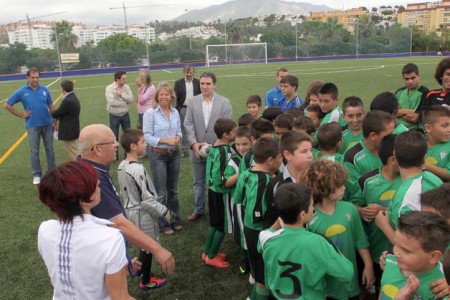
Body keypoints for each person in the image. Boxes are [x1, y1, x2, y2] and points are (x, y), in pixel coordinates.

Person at [78, 124, 175, 275]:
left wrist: (125, 260)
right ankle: (146, 279)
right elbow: (117, 223)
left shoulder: (87, 167)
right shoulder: (94, 178)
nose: (117, 144)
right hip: (100, 262)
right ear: (97, 149)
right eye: (112, 141)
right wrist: (158, 249)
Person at [37, 161, 134, 299]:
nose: (98, 183)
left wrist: (119, 266)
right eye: (93, 183)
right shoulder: (110, 238)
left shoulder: (45, 229)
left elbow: (77, 265)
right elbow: (120, 297)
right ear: (82, 200)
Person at [258, 183, 354, 299]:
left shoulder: (267, 238)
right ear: (303, 215)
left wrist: (278, 223)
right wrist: (331, 246)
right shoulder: (318, 242)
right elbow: (348, 273)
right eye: (311, 206)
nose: (313, 209)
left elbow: (263, 238)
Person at [300, 160, 374, 300]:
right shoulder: (309, 218)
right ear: (324, 188)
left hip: (350, 282)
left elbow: (360, 241)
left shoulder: (349, 209)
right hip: (325, 286)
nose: (344, 188)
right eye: (339, 185)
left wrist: (368, 265)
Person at [118, 129, 168, 291]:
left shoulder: (122, 165)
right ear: (133, 146)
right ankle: (146, 281)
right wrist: (166, 213)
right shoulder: (137, 169)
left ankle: (139, 270)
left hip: (130, 210)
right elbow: (146, 199)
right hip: (141, 213)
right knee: (149, 245)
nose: (146, 144)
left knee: (143, 244)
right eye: (143, 142)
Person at [234, 137, 282, 300]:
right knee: (264, 274)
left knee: (259, 269)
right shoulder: (267, 181)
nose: (282, 161)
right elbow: (258, 214)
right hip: (260, 230)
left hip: (248, 228)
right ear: (270, 160)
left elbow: (238, 198)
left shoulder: (245, 173)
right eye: (280, 158)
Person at [352, 134, 401, 292]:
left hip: (401, 252)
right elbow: (354, 204)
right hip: (374, 250)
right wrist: (361, 211)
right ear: (392, 159)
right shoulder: (366, 180)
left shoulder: (410, 180)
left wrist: (383, 210)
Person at [375, 131, 443, 243]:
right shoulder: (434, 179)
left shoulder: (404, 198)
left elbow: (410, 246)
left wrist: (384, 225)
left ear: (394, 157)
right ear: (425, 157)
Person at [184, 72, 233, 221]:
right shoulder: (192, 102)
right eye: (202, 84)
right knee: (198, 181)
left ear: (214, 85)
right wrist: (193, 144)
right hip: (197, 149)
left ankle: (219, 209)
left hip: (217, 150)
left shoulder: (224, 102)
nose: (204, 86)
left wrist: (216, 146)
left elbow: (227, 125)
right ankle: (198, 210)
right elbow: (188, 123)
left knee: (218, 180)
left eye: (208, 84)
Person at [380, 211, 449, 300]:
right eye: (396, 244)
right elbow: (384, 288)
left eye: (406, 251)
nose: (396, 252)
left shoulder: (440, 290)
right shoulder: (389, 258)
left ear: (433, 256)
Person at [4, 67, 56, 184]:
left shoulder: (45, 90)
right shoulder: (22, 91)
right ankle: (36, 174)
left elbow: (51, 107)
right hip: (32, 125)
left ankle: (52, 172)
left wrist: (55, 122)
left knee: (50, 150)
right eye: (33, 77)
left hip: (47, 124)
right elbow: (7, 105)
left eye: (37, 77)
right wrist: (21, 115)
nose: (35, 79)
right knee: (34, 151)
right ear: (27, 78)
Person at [143, 83, 182, 234]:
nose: (164, 97)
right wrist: (165, 141)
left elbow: (179, 131)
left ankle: (175, 219)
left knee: (173, 190)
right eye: (161, 95)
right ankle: (163, 223)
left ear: (171, 97)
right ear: (157, 97)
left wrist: (178, 138)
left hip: (174, 154)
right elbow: (147, 136)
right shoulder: (150, 113)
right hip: (158, 155)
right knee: (161, 192)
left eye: (167, 95)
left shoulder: (175, 112)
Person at [202, 118, 237, 268]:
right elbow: (222, 177)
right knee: (222, 226)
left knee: (214, 224)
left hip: (212, 190)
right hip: (221, 193)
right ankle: (211, 256)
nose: (236, 134)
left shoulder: (214, 147)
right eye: (234, 132)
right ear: (226, 135)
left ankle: (207, 252)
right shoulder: (225, 151)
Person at [343, 111, 396, 202]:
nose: (393, 137)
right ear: (373, 136)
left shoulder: (395, 148)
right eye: (389, 134)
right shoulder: (352, 157)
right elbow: (355, 196)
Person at [264, 131, 313, 228]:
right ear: (288, 155)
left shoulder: (318, 178)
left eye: (310, 150)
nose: (310, 155)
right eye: (304, 151)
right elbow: (271, 218)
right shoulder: (276, 184)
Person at [224, 126, 252, 274]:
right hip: (240, 202)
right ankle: (245, 259)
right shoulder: (234, 160)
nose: (241, 147)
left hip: (255, 201)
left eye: (245, 144)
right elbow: (226, 182)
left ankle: (256, 257)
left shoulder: (256, 157)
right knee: (243, 231)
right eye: (238, 144)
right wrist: (242, 173)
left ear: (252, 142)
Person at [174, 64, 201, 157]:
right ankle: (185, 149)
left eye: (190, 72)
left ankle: (197, 145)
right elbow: (175, 97)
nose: (189, 74)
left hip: (196, 108)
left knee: (197, 127)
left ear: (193, 72)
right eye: (187, 72)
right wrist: (178, 109)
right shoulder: (178, 83)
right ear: (184, 72)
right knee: (184, 129)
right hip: (184, 109)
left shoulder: (198, 82)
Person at [51, 80, 81, 161]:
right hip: (73, 130)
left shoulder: (68, 100)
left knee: (73, 154)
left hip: (69, 132)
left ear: (63, 89)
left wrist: (50, 111)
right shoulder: (73, 97)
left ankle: (79, 171)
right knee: (74, 152)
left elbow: (56, 114)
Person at [105, 70, 134, 152]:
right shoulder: (109, 88)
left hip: (125, 115)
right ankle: (115, 154)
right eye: (123, 79)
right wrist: (125, 103)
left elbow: (131, 99)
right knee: (114, 136)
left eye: (125, 78)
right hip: (114, 115)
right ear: (117, 79)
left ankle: (128, 153)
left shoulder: (126, 87)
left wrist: (122, 94)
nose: (125, 80)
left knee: (128, 136)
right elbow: (111, 102)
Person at [395, 63, 429, 130]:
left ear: (418, 76)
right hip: (396, 128)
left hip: (414, 131)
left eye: (413, 78)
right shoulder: (399, 92)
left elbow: (415, 118)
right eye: (406, 79)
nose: (410, 81)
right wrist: (409, 111)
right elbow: (392, 113)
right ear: (403, 79)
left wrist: (399, 112)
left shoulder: (425, 93)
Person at [422, 105, 450, 182]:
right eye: (445, 125)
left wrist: (423, 165)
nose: (449, 129)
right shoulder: (419, 144)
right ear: (428, 128)